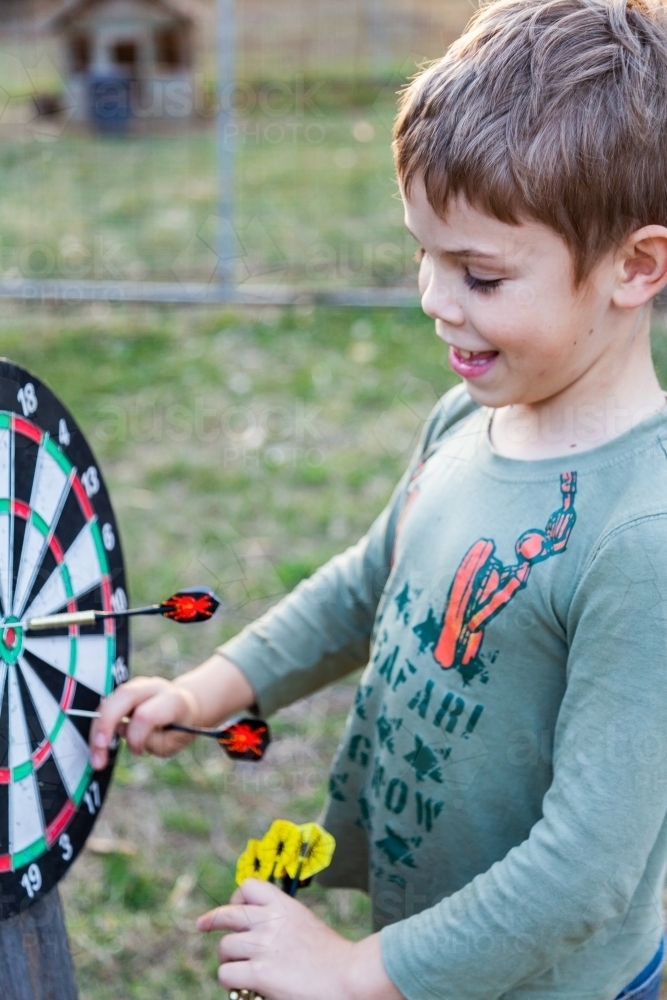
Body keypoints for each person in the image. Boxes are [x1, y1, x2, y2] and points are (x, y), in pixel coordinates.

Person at [90, 0, 667, 996]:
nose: (435, 300)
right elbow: (365, 585)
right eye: (422, 254)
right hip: (432, 958)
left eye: (480, 274)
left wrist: (360, 970)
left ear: (636, 265)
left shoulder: (641, 536)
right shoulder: (463, 421)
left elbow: (586, 871)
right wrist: (209, 690)